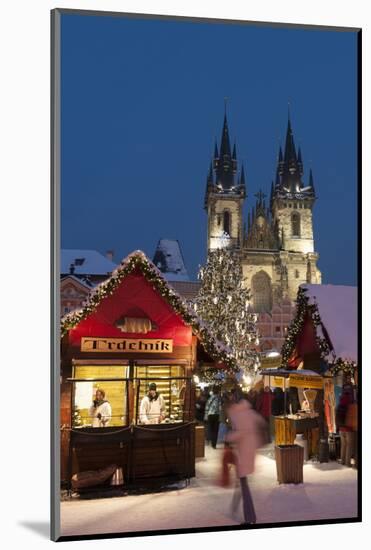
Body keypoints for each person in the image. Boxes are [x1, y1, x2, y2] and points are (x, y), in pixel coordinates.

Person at [225, 387, 266, 525]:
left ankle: (250, 517)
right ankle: (234, 507)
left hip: (244, 454)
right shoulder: (249, 411)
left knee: (243, 483)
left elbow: (241, 432)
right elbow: (261, 421)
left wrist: (229, 436)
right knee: (241, 481)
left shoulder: (238, 414)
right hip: (249, 452)